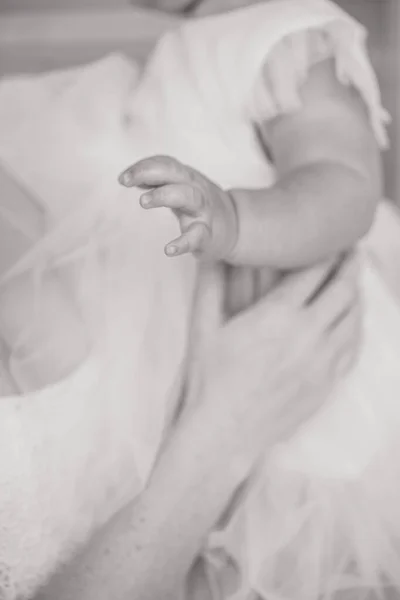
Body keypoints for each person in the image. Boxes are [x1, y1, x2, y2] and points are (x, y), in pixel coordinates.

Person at [0, 0, 399, 599]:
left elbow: (345, 182)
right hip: (193, 322)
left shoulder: (293, 33)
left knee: (284, 527)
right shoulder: (200, 40)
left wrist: (238, 218)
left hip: (283, 322)